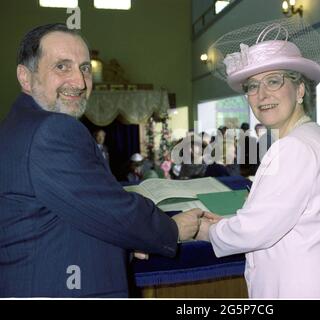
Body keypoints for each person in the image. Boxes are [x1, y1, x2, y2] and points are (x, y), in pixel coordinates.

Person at [0, 23, 206, 298]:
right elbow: (111, 209)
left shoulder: (20, 123)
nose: (79, 82)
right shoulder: (51, 129)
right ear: (26, 77)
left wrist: (125, 242)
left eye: (85, 68)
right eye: (62, 66)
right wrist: (172, 229)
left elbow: (63, 214)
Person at [196, 17, 320, 298]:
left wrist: (203, 230)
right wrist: (225, 222)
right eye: (252, 86)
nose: (261, 95)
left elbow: (255, 230)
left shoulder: (295, 147)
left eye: (273, 81)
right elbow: (277, 215)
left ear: (300, 89)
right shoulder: (307, 135)